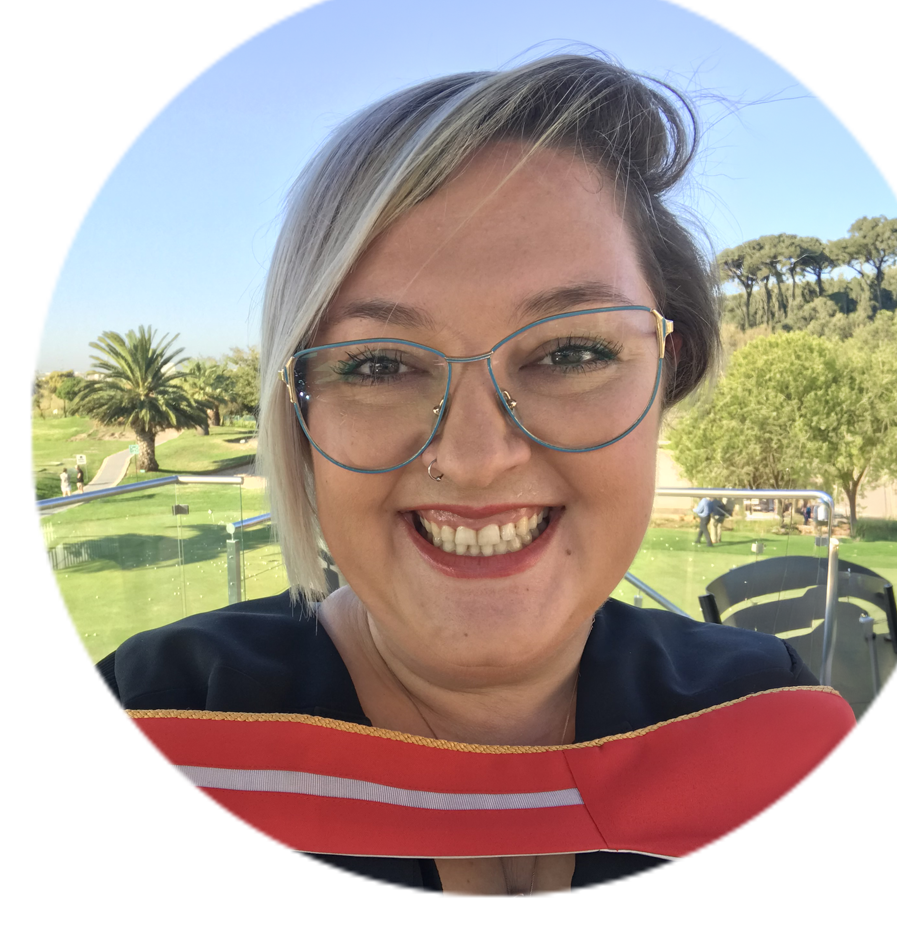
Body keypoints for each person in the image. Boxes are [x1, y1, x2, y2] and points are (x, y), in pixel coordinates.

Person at [93, 55, 831, 898]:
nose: (477, 459)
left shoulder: (759, 712)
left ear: (667, 377)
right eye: (378, 364)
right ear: (297, 412)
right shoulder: (148, 735)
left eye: (572, 352)